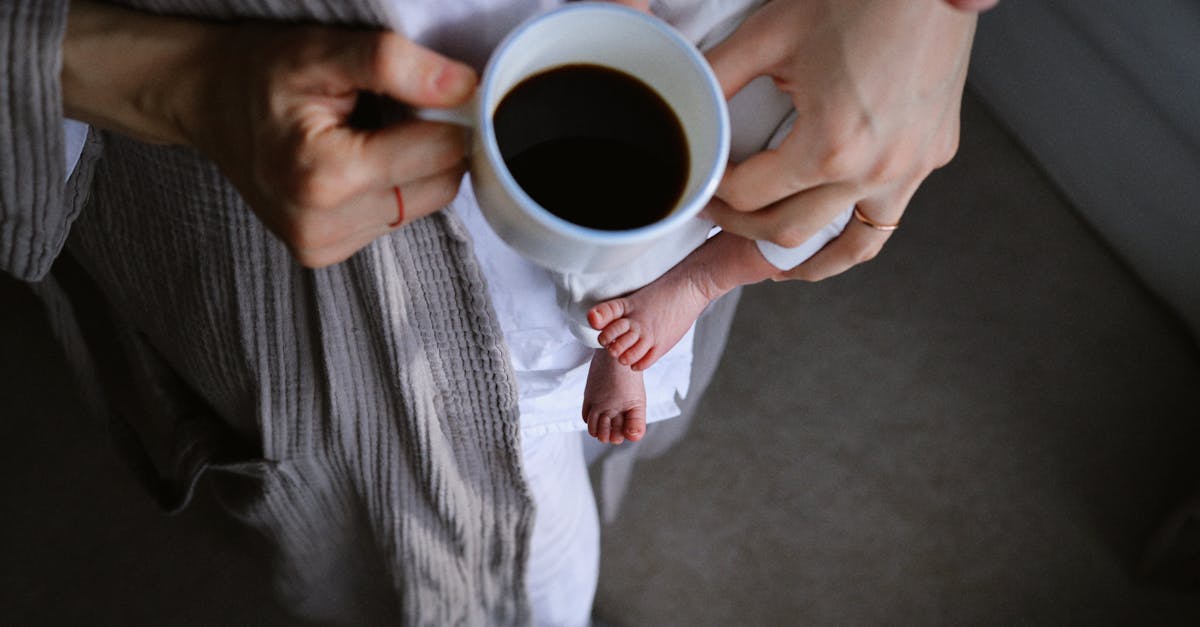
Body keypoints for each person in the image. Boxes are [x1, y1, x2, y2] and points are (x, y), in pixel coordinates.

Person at [1, 0, 993, 625]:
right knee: (424, 536)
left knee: (769, 203)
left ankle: (686, 286)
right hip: (303, 129)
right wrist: (169, 81)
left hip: (707, 65)